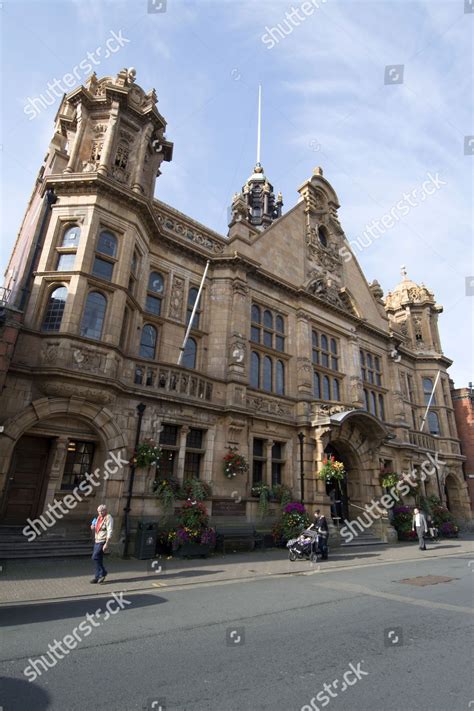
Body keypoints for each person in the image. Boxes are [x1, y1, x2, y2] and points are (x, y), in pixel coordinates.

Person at [90, 504, 113, 583]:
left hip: (102, 541)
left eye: (101, 511)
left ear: (105, 511)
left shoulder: (108, 518)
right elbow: (95, 526)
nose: (100, 513)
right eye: (99, 512)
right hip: (97, 540)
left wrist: (107, 543)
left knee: (94, 557)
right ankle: (97, 577)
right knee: (98, 559)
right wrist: (92, 526)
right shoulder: (99, 517)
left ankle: (103, 572)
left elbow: (110, 531)